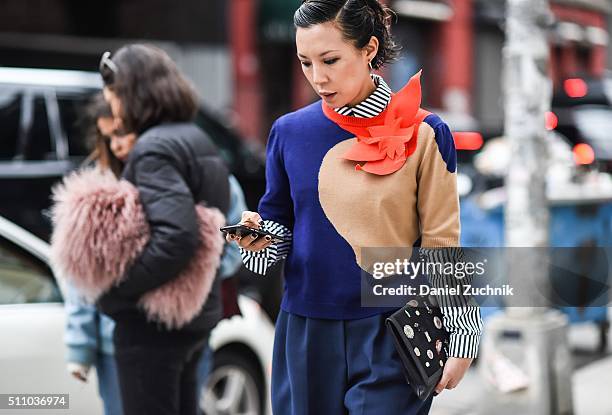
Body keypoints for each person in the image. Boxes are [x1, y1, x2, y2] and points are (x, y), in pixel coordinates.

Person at [229, 1, 483, 414]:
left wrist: (463, 336)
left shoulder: (425, 133)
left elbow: (442, 242)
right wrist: (256, 239)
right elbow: (280, 233)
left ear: (368, 49)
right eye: (306, 62)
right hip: (306, 328)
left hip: (395, 328)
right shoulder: (289, 132)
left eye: (330, 60)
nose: (318, 77)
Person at [63, 94, 246, 414]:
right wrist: (80, 344)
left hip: (189, 323)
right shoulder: (104, 188)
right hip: (118, 332)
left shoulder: (207, 177)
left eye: (121, 133)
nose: (117, 145)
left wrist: (192, 274)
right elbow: (83, 275)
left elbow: (232, 244)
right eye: (108, 138)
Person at [94, 44, 230, 415]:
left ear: (131, 92)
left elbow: (178, 236)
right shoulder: (194, 137)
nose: (111, 103)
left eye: (113, 93)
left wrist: (117, 292)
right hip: (192, 316)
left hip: (152, 326)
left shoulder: (153, 148)